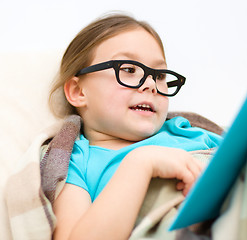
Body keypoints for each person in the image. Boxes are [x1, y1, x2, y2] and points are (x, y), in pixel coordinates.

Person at [49, 13, 223, 240]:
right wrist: (141, 162)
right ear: (78, 92)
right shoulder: (76, 162)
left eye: (159, 75)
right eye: (129, 70)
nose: (151, 84)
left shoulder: (190, 132)